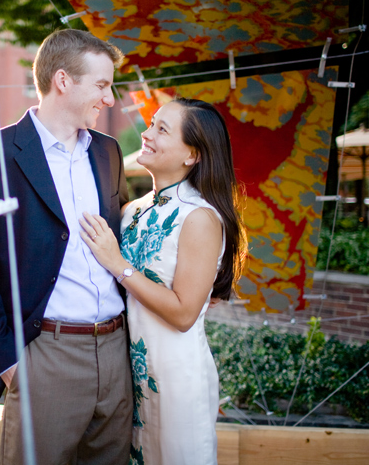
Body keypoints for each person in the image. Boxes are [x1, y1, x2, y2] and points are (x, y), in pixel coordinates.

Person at [0, 29, 132, 464]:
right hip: (45, 357)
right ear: (63, 81)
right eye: (101, 85)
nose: (110, 98)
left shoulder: (109, 152)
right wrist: (9, 363)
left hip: (117, 353)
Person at [79, 98, 247, 464]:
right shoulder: (131, 211)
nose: (147, 133)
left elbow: (185, 314)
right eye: (152, 123)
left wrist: (118, 264)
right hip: (127, 379)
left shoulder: (200, 217)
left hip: (175, 380)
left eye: (162, 129)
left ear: (193, 155)